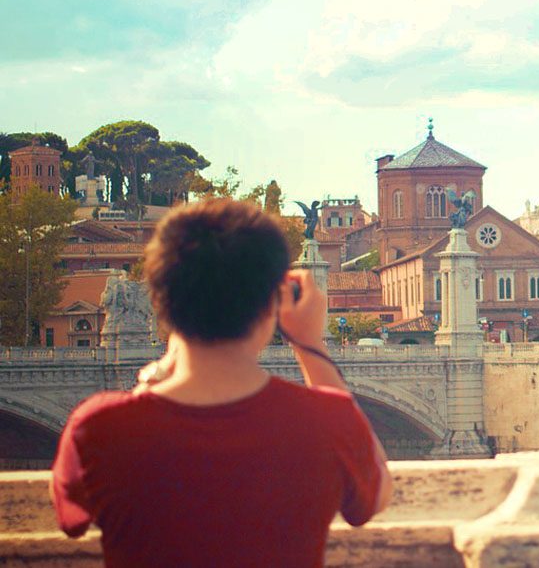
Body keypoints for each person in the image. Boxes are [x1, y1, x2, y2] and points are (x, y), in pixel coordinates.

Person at [51, 198, 392, 567]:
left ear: (160, 301)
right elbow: (373, 499)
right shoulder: (328, 420)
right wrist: (310, 345)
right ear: (273, 304)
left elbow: (71, 520)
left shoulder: (98, 426)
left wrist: (157, 376)